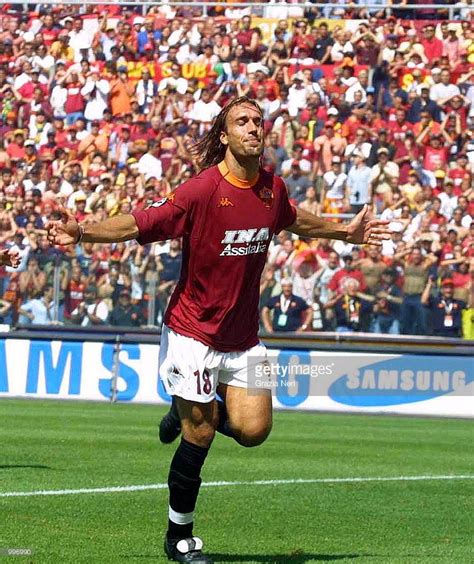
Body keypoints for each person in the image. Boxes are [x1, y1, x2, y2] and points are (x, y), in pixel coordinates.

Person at [47, 96, 391, 564]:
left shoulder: (273, 188)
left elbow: (294, 219)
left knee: (255, 431)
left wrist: (342, 232)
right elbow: (138, 223)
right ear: (224, 136)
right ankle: (178, 538)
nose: (254, 127)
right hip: (191, 332)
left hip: (245, 337)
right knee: (202, 434)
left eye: (258, 121)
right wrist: (82, 231)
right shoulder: (201, 190)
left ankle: (184, 409)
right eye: (242, 121)